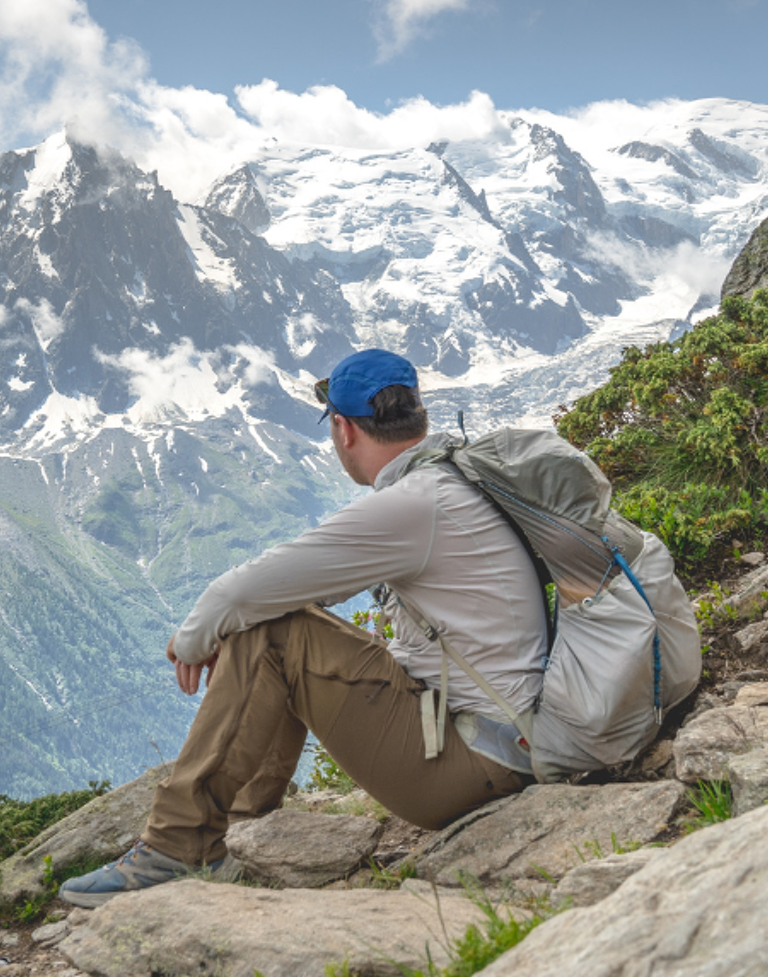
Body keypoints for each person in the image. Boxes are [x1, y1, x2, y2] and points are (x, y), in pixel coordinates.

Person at [60, 348, 548, 907]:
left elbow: (239, 594)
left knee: (271, 629)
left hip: (474, 762)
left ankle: (180, 844)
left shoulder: (413, 505)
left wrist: (193, 640)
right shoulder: (449, 481)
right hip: (499, 738)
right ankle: (242, 824)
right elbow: (288, 591)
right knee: (276, 620)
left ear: (342, 429)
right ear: (419, 417)